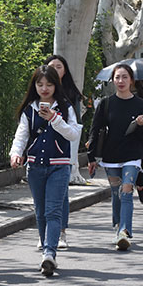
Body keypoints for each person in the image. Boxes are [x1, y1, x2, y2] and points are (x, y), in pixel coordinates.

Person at [10, 65, 82, 275]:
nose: (44, 88)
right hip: (35, 166)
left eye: (49, 84)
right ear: (34, 86)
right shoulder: (29, 110)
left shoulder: (66, 108)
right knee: (40, 211)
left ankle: (49, 253)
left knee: (53, 211)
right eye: (40, 84)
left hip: (59, 167)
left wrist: (54, 118)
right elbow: (21, 135)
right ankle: (45, 247)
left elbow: (72, 134)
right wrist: (16, 153)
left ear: (55, 85)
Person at [87, 64, 143, 249]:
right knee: (116, 194)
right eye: (117, 77)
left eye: (125, 77)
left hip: (133, 155)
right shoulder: (106, 103)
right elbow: (95, 130)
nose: (121, 81)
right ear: (112, 80)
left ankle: (124, 231)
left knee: (127, 190)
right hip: (111, 155)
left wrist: (142, 124)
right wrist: (91, 157)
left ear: (131, 80)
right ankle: (118, 227)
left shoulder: (140, 103)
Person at [44, 54, 85, 250]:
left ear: (65, 70)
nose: (55, 70)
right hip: (42, 152)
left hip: (63, 150)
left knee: (61, 194)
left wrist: (73, 158)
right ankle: (45, 232)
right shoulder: (39, 93)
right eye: (51, 66)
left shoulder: (70, 94)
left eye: (59, 66)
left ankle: (61, 232)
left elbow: (75, 128)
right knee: (42, 195)